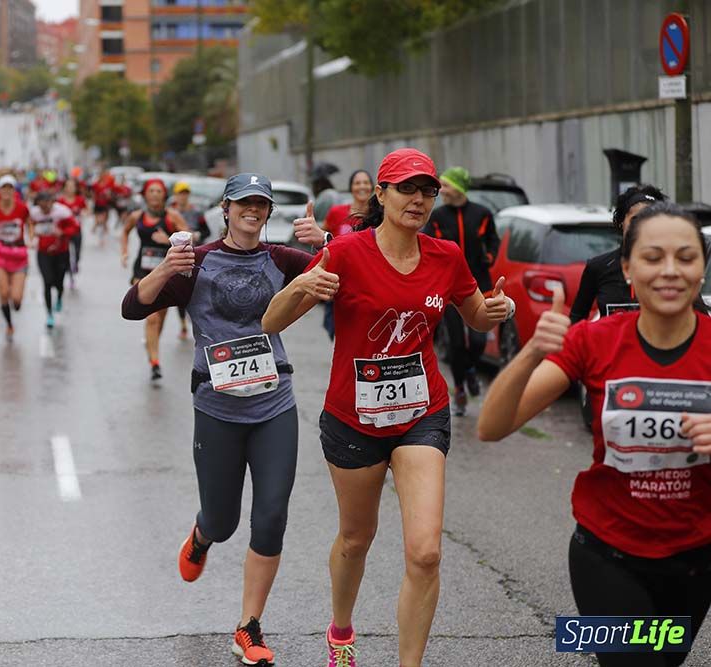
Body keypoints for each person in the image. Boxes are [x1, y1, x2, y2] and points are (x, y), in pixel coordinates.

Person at [261, 148, 513, 667]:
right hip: (353, 418)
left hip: (422, 412)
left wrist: (498, 309)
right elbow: (272, 322)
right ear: (381, 193)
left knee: (426, 552)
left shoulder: (446, 256)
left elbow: (476, 316)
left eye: (427, 190)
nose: (418, 199)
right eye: (406, 189)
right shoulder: (345, 252)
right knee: (357, 538)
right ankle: (341, 629)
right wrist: (302, 284)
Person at [478, 202, 711, 667]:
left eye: (685, 258)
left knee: (662, 661)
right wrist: (533, 351)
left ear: (702, 270)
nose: (670, 271)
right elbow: (492, 427)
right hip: (607, 555)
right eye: (652, 257)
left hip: (695, 560)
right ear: (626, 268)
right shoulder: (593, 339)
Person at [121, 173, 316, 667]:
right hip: (217, 409)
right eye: (243, 202)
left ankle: (248, 626)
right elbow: (132, 307)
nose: (252, 210)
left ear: (268, 213)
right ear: (225, 209)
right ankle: (201, 535)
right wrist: (166, 268)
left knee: (270, 516)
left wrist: (327, 243)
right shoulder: (198, 263)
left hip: (274, 404)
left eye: (260, 204)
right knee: (223, 521)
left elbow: (345, 273)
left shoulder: (283, 260)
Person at [422, 166, 500, 416]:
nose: (441, 190)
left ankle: (469, 369)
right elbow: (428, 246)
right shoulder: (437, 217)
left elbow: (493, 240)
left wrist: (490, 256)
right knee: (456, 343)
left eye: (445, 185)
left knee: (478, 341)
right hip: (448, 288)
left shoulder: (482, 214)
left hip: (480, 284)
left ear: (459, 188)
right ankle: (460, 390)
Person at [120, 178, 189, 381]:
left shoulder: (172, 216)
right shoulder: (137, 216)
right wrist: (124, 251)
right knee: (151, 317)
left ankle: (152, 345)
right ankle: (155, 362)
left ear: (164, 195)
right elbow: (125, 231)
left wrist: (168, 240)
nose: (155, 194)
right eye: (151, 191)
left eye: (159, 191)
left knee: (160, 317)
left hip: (165, 272)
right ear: (144, 194)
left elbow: (189, 238)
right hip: (142, 271)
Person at [570, 184, 668, 324]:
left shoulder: (671, 268)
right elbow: (576, 320)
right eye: (636, 219)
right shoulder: (599, 267)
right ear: (622, 221)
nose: (643, 226)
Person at [320, 169, 373, 340]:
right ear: (351, 187)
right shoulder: (337, 213)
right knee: (339, 334)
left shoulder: (379, 216)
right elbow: (324, 236)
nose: (362, 186)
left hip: (368, 282)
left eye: (366, 182)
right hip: (339, 283)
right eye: (357, 183)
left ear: (373, 187)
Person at [0, 175, 33, 341]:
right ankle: (9, 325)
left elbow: (30, 224)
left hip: (19, 255)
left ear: (14, 190)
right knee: (4, 293)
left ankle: (15, 305)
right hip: (0, 254)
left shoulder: (22, 208)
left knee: (16, 299)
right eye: (4, 188)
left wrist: (32, 238)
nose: (6, 191)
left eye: (10, 188)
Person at [170, 180, 213, 340]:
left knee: (195, 290)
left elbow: (207, 231)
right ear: (175, 196)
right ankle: (183, 323)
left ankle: (197, 319)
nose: (183, 197)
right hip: (176, 257)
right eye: (180, 193)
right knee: (180, 291)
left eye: (185, 194)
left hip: (195, 256)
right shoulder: (170, 212)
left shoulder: (196, 212)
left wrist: (197, 235)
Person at [31, 191, 77, 330]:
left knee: (58, 283)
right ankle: (49, 314)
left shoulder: (62, 212)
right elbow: (28, 224)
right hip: (43, 253)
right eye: (42, 206)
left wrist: (63, 233)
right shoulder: (34, 213)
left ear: (52, 202)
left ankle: (59, 297)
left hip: (61, 253)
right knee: (47, 282)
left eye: (47, 204)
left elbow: (75, 227)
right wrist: (32, 235)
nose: (45, 208)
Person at [57, 177, 88, 285]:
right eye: (68, 186)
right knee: (65, 254)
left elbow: (86, 210)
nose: (70, 188)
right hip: (64, 232)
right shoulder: (60, 201)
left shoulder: (80, 200)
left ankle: (75, 265)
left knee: (77, 253)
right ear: (64, 188)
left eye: (72, 186)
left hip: (76, 230)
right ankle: (68, 271)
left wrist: (83, 213)